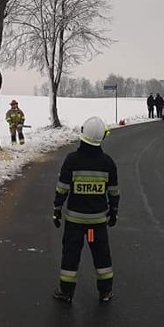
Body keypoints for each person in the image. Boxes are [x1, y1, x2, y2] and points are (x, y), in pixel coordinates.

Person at [52, 116, 119, 304]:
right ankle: (105, 292)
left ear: (83, 135)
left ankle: (66, 293)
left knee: (71, 256)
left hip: (75, 223)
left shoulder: (72, 160)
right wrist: (114, 212)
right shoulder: (108, 163)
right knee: (101, 255)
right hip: (96, 225)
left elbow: (62, 187)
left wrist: (57, 209)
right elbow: (114, 192)